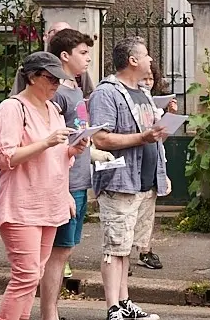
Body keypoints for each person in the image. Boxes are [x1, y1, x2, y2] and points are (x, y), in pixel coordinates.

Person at [0, 52, 86, 320]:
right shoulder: (12, 108)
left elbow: (57, 158)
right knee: (26, 275)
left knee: (35, 273)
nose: (56, 84)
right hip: (20, 203)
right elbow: (4, 157)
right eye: (51, 78)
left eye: (59, 79)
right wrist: (46, 142)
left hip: (49, 203)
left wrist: (72, 150)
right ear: (31, 77)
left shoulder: (53, 109)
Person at [89, 37, 169, 320]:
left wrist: (160, 135)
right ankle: (113, 307)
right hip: (120, 181)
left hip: (144, 183)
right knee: (114, 246)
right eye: (146, 55)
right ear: (133, 60)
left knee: (126, 249)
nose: (150, 60)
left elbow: (151, 135)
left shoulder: (143, 92)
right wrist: (142, 137)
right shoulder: (106, 93)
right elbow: (100, 138)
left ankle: (125, 302)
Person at [37, 29, 96, 320]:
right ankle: (49, 313)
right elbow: (49, 137)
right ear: (64, 56)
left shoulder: (75, 87)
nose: (88, 59)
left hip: (79, 181)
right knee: (57, 252)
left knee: (65, 250)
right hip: (66, 184)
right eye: (83, 53)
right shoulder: (58, 92)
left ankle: (52, 311)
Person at [130, 65, 176, 272]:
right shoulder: (128, 99)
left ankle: (144, 250)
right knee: (130, 213)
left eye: (151, 79)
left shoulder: (152, 103)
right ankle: (122, 256)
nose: (148, 82)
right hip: (134, 167)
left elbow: (160, 140)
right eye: (145, 78)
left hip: (153, 164)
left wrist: (170, 116)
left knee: (147, 213)